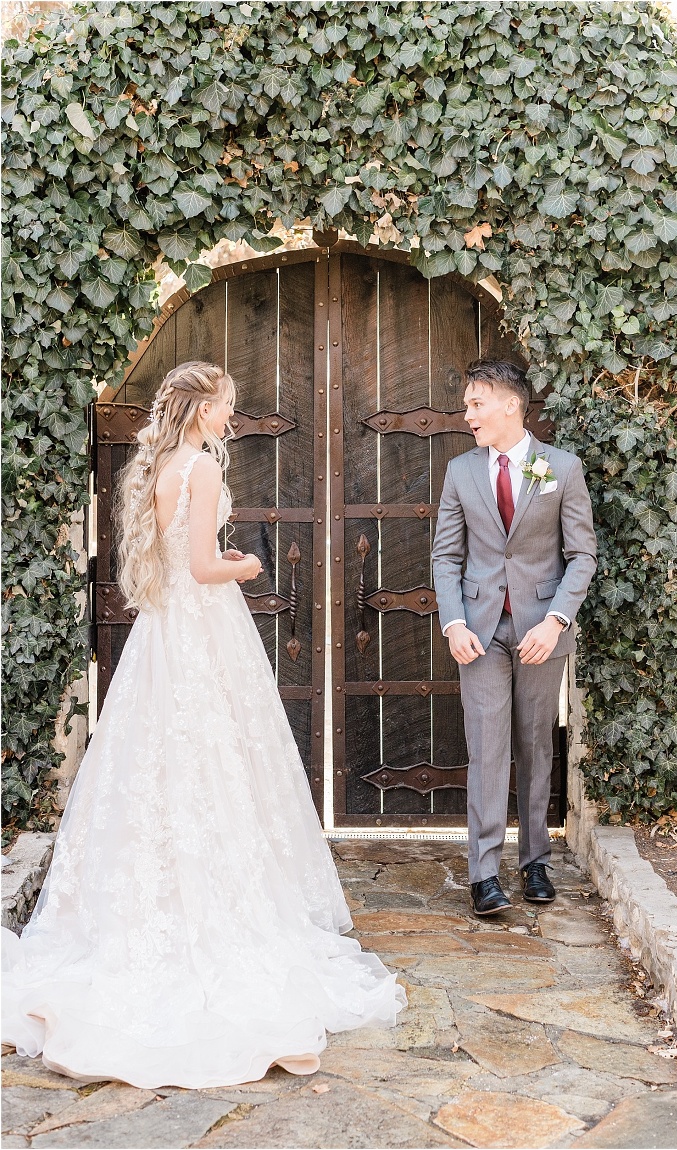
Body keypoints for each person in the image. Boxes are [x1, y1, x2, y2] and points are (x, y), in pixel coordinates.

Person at [2, 361, 405, 1089]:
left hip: (165, 634)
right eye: (224, 406)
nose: (230, 417)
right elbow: (198, 565)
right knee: (217, 760)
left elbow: (166, 559)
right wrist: (244, 565)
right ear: (199, 409)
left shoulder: (161, 465)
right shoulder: (205, 471)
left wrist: (213, 563)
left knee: (157, 761)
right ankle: (214, 915)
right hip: (203, 629)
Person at [432, 360, 597, 914]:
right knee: (486, 750)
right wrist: (453, 621)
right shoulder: (460, 472)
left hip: (540, 633)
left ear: (509, 404)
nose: (468, 414)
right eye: (467, 404)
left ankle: (535, 863)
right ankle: (483, 874)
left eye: (476, 404)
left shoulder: (562, 468)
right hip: (478, 633)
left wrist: (555, 622)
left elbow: (582, 556)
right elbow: (446, 556)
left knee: (534, 745)